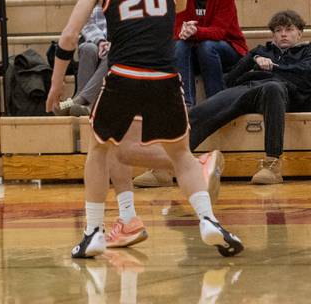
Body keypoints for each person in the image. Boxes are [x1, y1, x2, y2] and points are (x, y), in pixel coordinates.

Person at [0, 0, 244, 244]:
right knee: (145, 148)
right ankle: (172, 218)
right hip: (163, 72)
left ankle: (96, 230)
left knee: (105, 147)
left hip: (123, 68)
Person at [47, 0, 243, 259]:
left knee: (99, 149)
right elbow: (181, 2)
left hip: (123, 76)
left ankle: (93, 231)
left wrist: (56, 85)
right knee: (182, 155)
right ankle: (209, 221)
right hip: (165, 77)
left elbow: (69, 36)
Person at [129, 10, 311, 186]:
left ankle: (272, 165)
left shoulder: (306, 51)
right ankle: (166, 167)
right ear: (273, 35)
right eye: (278, 31)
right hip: (249, 89)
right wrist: (251, 61)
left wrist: (274, 68)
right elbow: (230, 80)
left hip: (284, 91)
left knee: (273, 87)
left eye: (289, 29)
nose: (283, 35)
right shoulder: (261, 51)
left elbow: (305, 76)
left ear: (300, 33)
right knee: (204, 109)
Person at [174, 0, 248, 107]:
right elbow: (176, 27)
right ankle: (186, 104)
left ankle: (218, 103)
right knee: (179, 44)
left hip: (228, 49)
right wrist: (183, 31)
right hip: (194, 51)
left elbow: (219, 32)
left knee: (207, 46)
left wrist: (194, 31)